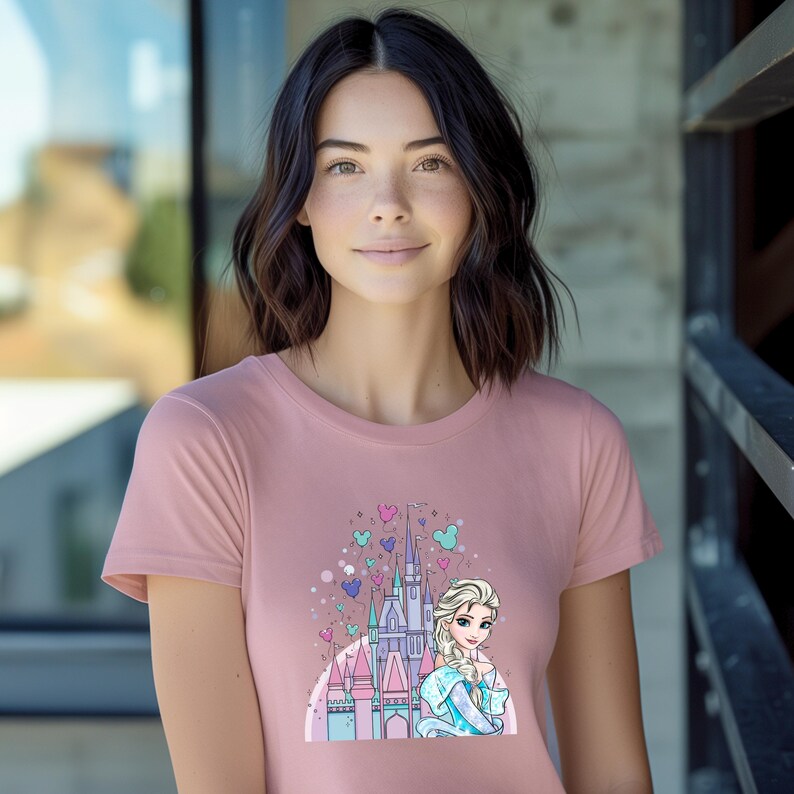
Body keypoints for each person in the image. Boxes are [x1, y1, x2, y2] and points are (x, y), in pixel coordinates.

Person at [101, 6, 664, 793]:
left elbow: (612, 773)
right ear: (299, 197)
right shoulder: (205, 441)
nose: (388, 202)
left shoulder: (578, 442)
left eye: (430, 163)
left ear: (479, 186)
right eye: (345, 166)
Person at [415, 578, 511, 738]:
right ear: (446, 623)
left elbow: (488, 715)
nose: (475, 633)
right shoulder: (445, 661)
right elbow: (467, 712)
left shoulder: (487, 668)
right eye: (464, 622)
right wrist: (493, 735)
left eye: (484, 625)